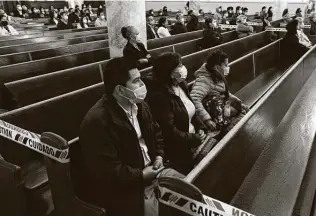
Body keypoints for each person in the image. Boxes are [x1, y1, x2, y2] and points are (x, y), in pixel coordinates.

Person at [73, 57, 184, 216]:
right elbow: (108, 172)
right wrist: (142, 174)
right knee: (172, 212)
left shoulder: (138, 104)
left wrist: (159, 155)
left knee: (192, 192)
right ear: (119, 90)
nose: (143, 85)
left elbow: (156, 132)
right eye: (137, 81)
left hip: (153, 172)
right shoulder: (97, 122)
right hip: (126, 190)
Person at [147, 52, 213, 174]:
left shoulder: (181, 84)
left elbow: (191, 109)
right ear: (170, 71)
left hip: (194, 138)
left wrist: (201, 127)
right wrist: (193, 138)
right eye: (179, 65)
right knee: (212, 163)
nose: (183, 68)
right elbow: (168, 131)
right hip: (180, 148)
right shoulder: (160, 96)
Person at [190, 50, 248, 139]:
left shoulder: (216, 75)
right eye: (225, 65)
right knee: (215, 100)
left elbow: (224, 92)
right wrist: (207, 119)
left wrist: (239, 103)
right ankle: (221, 127)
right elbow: (194, 99)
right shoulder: (204, 79)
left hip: (220, 108)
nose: (228, 67)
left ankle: (226, 122)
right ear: (217, 66)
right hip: (210, 111)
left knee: (238, 108)